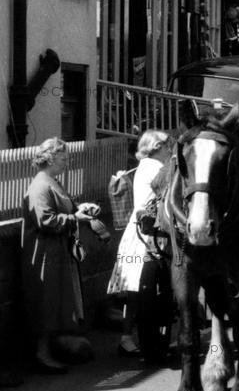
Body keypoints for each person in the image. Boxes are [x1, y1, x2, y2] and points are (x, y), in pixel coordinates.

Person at [22, 138, 96, 374]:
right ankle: (42, 354)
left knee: (57, 301)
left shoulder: (52, 182)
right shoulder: (40, 186)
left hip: (56, 252)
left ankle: (52, 349)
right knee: (47, 301)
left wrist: (80, 209)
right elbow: (45, 220)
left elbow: (65, 210)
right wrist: (76, 219)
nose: (67, 162)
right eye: (63, 158)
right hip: (44, 253)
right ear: (50, 159)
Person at [107, 129, 172, 362]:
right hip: (149, 233)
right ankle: (134, 337)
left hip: (137, 231)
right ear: (156, 148)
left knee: (135, 291)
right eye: (167, 146)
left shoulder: (144, 166)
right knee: (143, 290)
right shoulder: (156, 168)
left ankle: (129, 337)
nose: (170, 150)